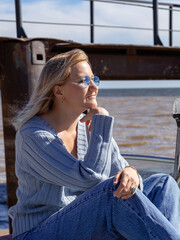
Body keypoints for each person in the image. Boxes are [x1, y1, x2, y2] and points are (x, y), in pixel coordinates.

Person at [9, 49, 180, 240]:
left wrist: (131, 172)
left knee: (164, 184)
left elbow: (120, 171)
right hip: (39, 232)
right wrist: (101, 123)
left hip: (83, 223)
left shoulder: (89, 127)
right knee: (110, 195)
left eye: (95, 79)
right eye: (84, 81)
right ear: (58, 90)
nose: (94, 87)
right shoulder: (33, 135)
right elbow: (91, 179)